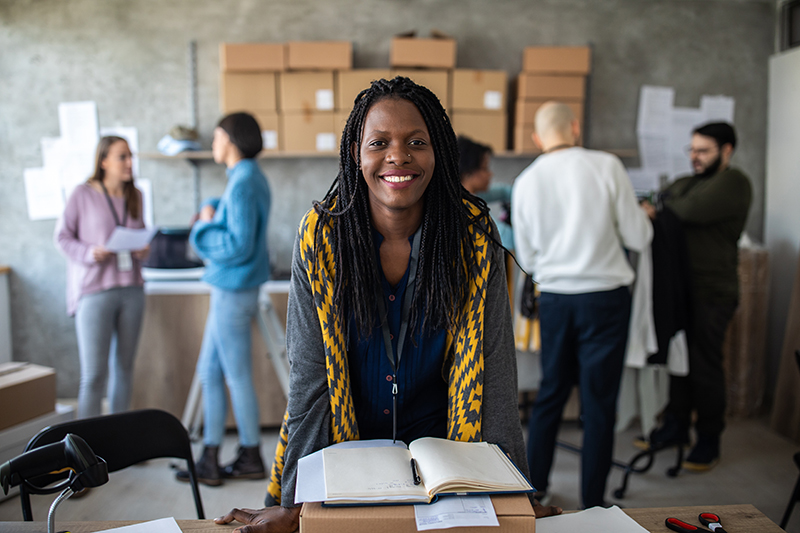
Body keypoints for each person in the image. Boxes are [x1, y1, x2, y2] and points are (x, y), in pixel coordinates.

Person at [215, 77, 561, 533]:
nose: (398, 155)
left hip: (446, 459)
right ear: (356, 155)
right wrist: (294, 501)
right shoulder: (321, 238)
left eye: (416, 141)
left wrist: (514, 490)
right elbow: (310, 384)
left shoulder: (473, 238)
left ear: (438, 153)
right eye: (379, 142)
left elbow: (494, 375)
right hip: (349, 454)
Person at [511, 102, 653, 508]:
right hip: (606, 299)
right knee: (599, 402)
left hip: (555, 299)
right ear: (575, 128)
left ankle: (534, 490)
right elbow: (638, 237)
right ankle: (593, 502)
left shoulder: (526, 180)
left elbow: (529, 257)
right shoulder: (606, 166)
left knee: (551, 393)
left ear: (537, 138)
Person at [640, 122, 752, 471]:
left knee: (704, 367)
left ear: (726, 150)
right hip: (682, 290)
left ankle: (708, 439)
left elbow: (682, 210)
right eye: (692, 150)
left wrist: (663, 206)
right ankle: (675, 428)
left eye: (703, 151)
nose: (694, 157)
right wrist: (661, 205)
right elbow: (659, 199)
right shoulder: (691, 182)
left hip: (712, 293)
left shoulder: (734, 182)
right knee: (678, 362)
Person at [175, 112, 272, 487]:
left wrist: (201, 229)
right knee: (211, 373)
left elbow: (237, 243)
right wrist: (216, 206)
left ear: (230, 139)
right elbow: (238, 222)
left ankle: (250, 454)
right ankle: (210, 458)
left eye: (216, 137)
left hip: (233, 289)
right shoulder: (245, 179)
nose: (213, 144)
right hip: (234, 287)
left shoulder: (245, 180)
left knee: (234, 375)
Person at [55, 136, 149, 419]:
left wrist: (143, 249)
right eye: (122, 157)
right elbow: (62, 238)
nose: (129, 163)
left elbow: (140, 232)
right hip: (95, 291)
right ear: (103, 161)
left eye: (131, 156)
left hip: (131, 289)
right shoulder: (81, 194)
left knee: (124, 370)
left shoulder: (136, 195)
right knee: (94, 375)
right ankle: (86, 451)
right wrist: (88, 252)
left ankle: (120, 443)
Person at [457, 136, 514, 250]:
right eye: (485, 168)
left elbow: (504, 191)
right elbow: (508, 239)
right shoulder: (470, 208)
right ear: (468, 173)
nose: (490, 174)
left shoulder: (466, 194)